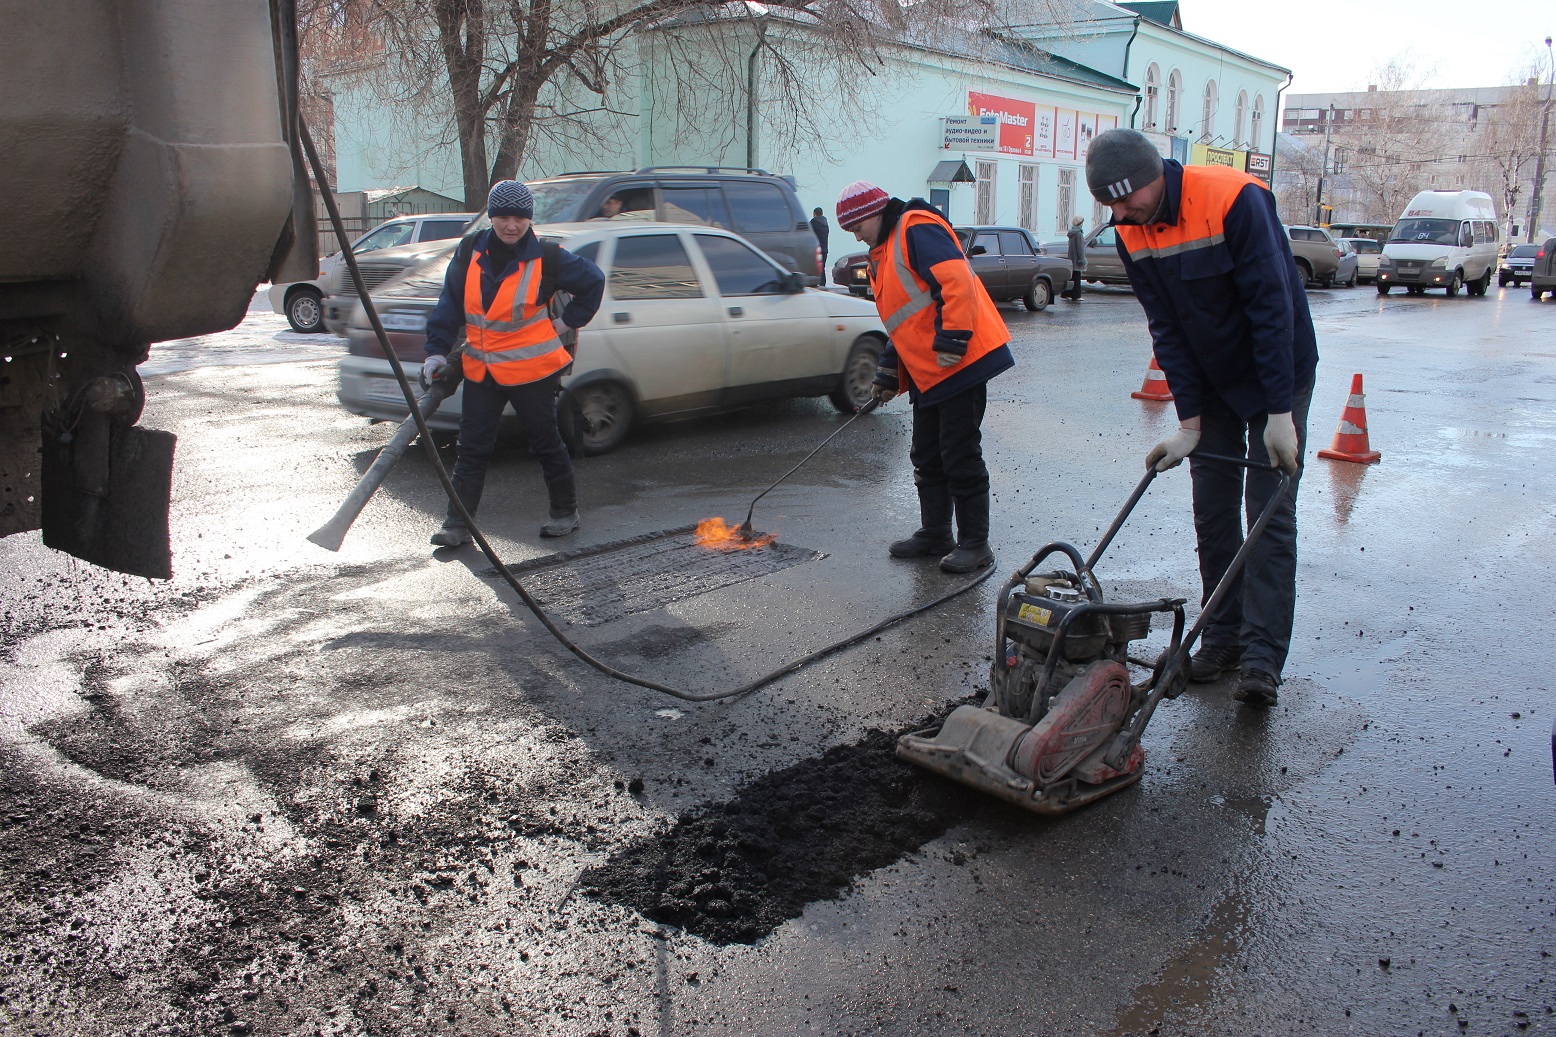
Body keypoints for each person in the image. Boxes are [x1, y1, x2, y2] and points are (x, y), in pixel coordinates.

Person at [1084, 128, 1317, 709]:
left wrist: (1280, 412)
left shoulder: (1234, 198)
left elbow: (1271, 308)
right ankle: (1223, 638)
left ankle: (1263, 657)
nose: (1120, 213)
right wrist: (1190, 423)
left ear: (1155, 175)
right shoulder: (1132, 232)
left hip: (1275, 377)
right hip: (1211, 386)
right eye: (1109, 205)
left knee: (1267, 515)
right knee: (1213, 514)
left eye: (1126, 198)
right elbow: (1167, 329)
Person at [836, 180, 1014, 574]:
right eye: (849, 230)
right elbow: (907, 321)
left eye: (856, 225)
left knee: (959, 453)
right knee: (927, 454)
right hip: (928, 371)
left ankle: (975, 544)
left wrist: (952, 339)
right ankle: (936, 533)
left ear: (876, 212)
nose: (855, 234)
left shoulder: (915, 228)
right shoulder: (883, 253)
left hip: (960, 362)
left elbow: (957, 283)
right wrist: (887, 374)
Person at [421, 180, 604, 547]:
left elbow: (594, 281)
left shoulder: (548, 257)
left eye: (519, 217)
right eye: (503, 216)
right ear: (491, 217)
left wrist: (566, 323)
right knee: (471, 447)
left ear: (529, 219)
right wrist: (436, 351)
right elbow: (450, 303)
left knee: (544, 442)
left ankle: (565, 513)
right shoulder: (471, 250)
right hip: (481, 368)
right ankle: (458, 525)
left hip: (530, 371)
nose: (511, 225)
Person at [1064, 214, 1087, 300]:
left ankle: (1066, 294)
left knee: (1071, 277)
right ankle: (1076, 295)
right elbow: (1080, 249)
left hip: (1071, 258)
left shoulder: (1071, 233)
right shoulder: (1079, 234)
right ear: (1080, 223)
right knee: (1077, 278)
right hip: (1077, 259)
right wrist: (1082, 259)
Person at [810, 206, 830, 285]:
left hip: (816, 249)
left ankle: (817, 284)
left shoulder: (813, 223)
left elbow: (808, 233)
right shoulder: (825, 224)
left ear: (814, 214)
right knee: (822, 268)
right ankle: (823, 284)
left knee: (816, 268)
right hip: (825, 249)